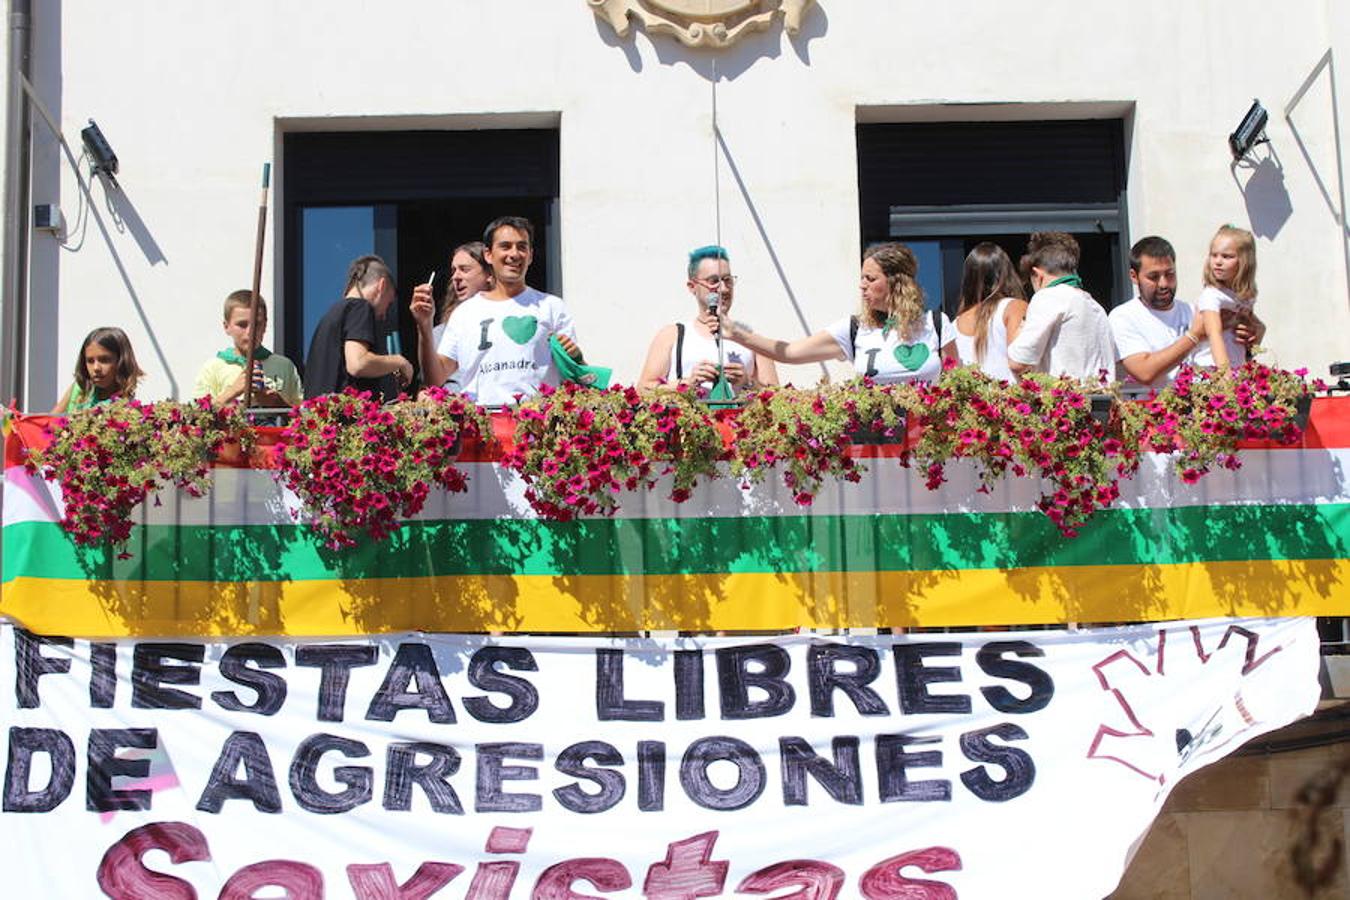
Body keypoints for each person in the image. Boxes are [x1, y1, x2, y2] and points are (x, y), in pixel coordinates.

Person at [721, 242, 955, 384]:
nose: (862, 285)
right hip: (878, 454)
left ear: (896, 283)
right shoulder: (854, 329)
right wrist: (735, 333)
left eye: (870, 279)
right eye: (862, 277)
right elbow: (790, 352)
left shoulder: (936, 324)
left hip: (929, 452)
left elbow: (959, 387)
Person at [413, 216, 584, 405]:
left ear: (531, 256)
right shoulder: (464, 313)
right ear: (488, 255)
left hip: (537, 425)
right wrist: (424, 326)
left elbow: (574, 376)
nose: (514, 254)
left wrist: (577, 359)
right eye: (505, 246)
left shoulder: (552, 307)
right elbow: (435, 379)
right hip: (482, 428)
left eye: (522, 247)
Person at [637, 245, 778, 391]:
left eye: (727, 280)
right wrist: (686, 384)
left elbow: (777, 396)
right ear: (692, 286)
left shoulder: (752, 340)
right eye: (713, 281)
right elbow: (643, 389)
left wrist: (747, 382)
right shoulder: (672, 335)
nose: (723, 289)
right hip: (688, 413)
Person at [303, 255, 413, 401]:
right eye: (389, 303)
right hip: (344, 420)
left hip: (319, 417)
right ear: (382, 285)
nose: (384, 315)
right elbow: (358, 364)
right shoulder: (359, 307)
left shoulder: (332, 315)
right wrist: (400, 362)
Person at [1006, 231, 1115, 380]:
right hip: (1099, 399)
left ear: (1037, 275)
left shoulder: (1047, 298)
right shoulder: (1096, 307)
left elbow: (1017, 362)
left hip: (1064, 401)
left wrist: (1023, 322)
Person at [1108, 236, 1206, 390]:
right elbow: (1144, 372)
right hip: (1147, 411)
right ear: (1134, 276)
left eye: (1170, 274)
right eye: (1153, 277)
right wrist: (1193, 337)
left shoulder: (1192, 311)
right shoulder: (1123, 317)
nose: (1164, 284)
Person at [193, 290, 303, 407]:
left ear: (265, 325)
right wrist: (232, 392)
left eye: (257, 324)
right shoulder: (213, 368)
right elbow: (196, 417)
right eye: (242, 324)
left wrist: (276, 402)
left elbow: (302, 418)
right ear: (226, 327)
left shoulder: (284, 366)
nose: (250, 332)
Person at [413, 242, 493, 390]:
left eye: (464, 269)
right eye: (454, 270)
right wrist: (424, 325)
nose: (456, 277)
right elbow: (429, 384)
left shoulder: (506, 320)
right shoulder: (442, 332)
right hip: (456, 409)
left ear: (489, 274)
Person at [952, 243, 1027, 380]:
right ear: (1007, 273)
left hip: (971, 399)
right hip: (1009, 398)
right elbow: (1021, 361)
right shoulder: (1014, 308)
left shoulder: (955, 323)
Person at [1193, 224, 1259, 369]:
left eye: (1226, 256)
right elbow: (1214, 334)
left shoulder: (1245, 297)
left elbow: (1251, 331)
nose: (1218, 262)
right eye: (1214, 255)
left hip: (1237, 369)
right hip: (1211, 371)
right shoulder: (1212, 295)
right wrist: (1225, 378)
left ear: (1244, 262)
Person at [51, 327, 145, 414]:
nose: (96, 368)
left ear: (121, 361)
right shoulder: (80, 389)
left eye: (104, 360)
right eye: (90, 361)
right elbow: (50, 421)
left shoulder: (125, 408)